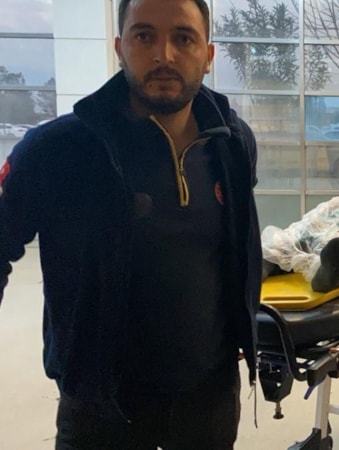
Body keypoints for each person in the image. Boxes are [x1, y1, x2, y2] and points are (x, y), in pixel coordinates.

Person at [0, 1, 262, 448]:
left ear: (208, 55)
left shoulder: (233, 144)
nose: (163, 54)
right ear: (120, 48)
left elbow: (232, 253)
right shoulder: (57, 150)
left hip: (209, 404)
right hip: (100, 414)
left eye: (183, 38)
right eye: (144, 36)